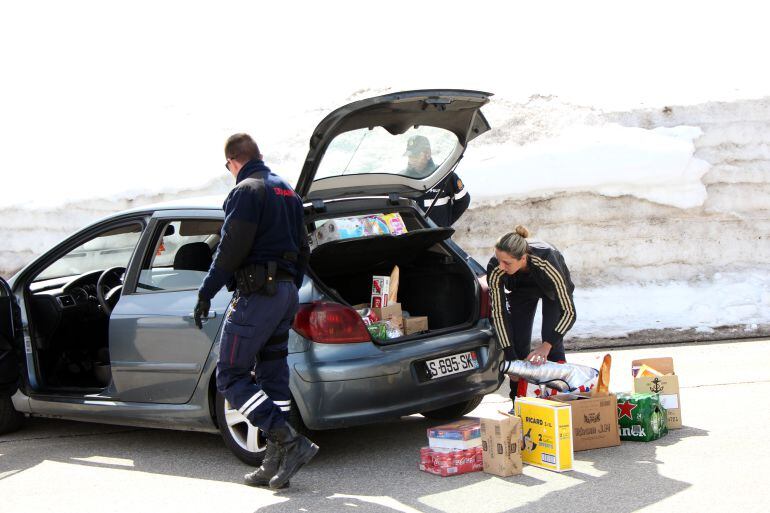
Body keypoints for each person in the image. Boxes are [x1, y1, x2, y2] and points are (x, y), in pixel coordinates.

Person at [194, 133, 317, 489]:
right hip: (283, 296)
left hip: (257, 297)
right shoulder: (287, 191)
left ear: (233, 161)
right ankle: (274, 463)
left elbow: (230, 248)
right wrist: (288, 286)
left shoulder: (246, 191)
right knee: (272, 377)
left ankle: (289, 441)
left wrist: (206, 291)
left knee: (230, 375)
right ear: (258, 154)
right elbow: (304, 248)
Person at [486, 225, 576, 410]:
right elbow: (498, 314)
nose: (501, 266)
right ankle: (517, 404)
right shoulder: (497, 267)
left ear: (523, 258)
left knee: (551, 341)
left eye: (507, 263)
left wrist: (546, 345)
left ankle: (561, 402)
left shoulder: (547, 260)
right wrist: (511, 360)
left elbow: (569, 312)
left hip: (551, 290)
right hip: (520, 290)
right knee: (517, 346)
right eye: (498, 259)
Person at [403, 135, 470, 227]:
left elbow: (464, 200)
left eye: (416, 155)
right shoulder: (402, 179)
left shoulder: (446, 176)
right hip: (413, 238)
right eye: (410, 156)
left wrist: (446, 223)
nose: (411, 159)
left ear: (428, 154)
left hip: (439, 238)